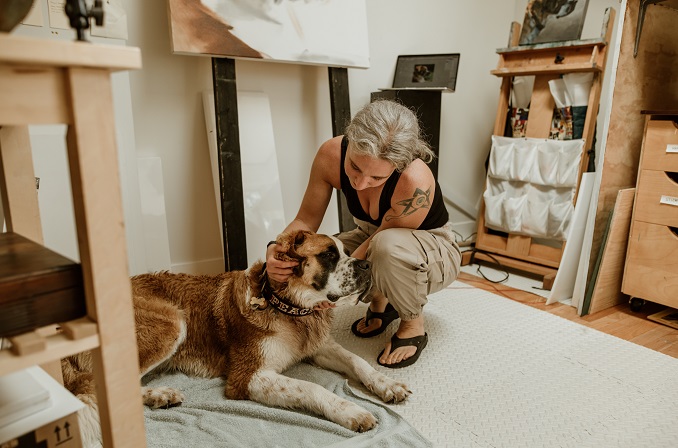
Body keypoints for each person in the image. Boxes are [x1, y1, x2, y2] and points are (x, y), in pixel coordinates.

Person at [265, 100, 461, 368]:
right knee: (322, 255)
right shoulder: (331, 154)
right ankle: (383, 302)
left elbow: (372, 249)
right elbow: (306, 220)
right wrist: (278, 249)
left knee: (383, 249)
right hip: (374, 237)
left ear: (399, 165)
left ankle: (413, 325)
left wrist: (338, 290)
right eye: (355, 167)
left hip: (433, 251)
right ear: (350, 139)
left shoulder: (414, 182)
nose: (360, 183)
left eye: (377, 178)